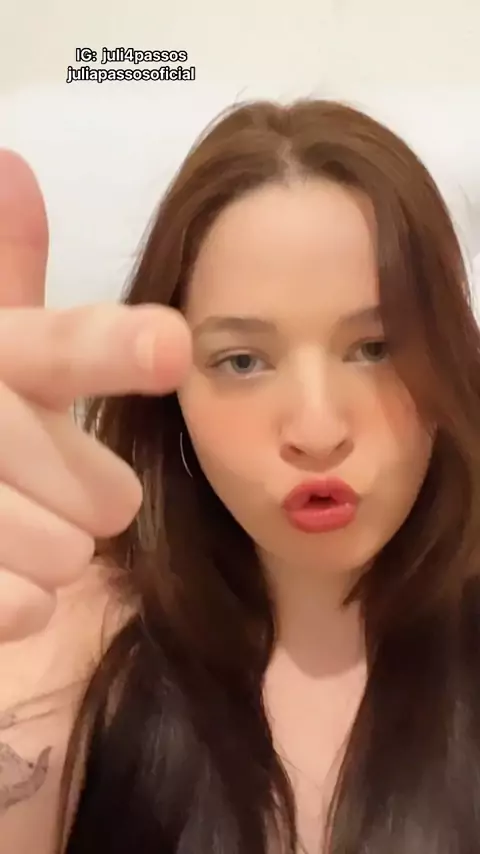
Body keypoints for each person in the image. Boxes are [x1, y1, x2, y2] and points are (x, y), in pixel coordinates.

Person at [0, 97, 479, 854]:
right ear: (171, 398)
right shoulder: (74, 653)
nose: (317, 432)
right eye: (243, 361)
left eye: (376, 348)